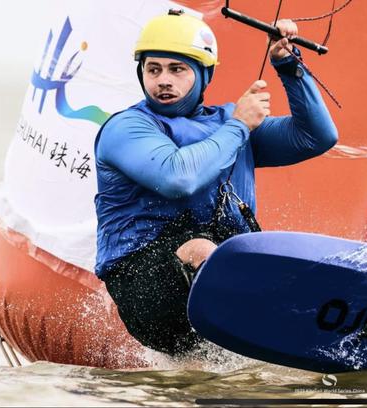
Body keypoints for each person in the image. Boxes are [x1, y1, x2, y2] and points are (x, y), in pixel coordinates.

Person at [93, 10, 337, 356]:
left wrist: (288, 66)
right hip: (144, 285)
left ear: (204, 74)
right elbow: (179, 178)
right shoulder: (126, 129)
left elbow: (316, 136)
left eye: (177, 69)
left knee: (283, 260)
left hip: (224, 275)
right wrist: (239, 126)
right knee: (204, 251)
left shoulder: (226, 121)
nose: (163, 80)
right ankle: (258, 336)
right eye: (153, 69)